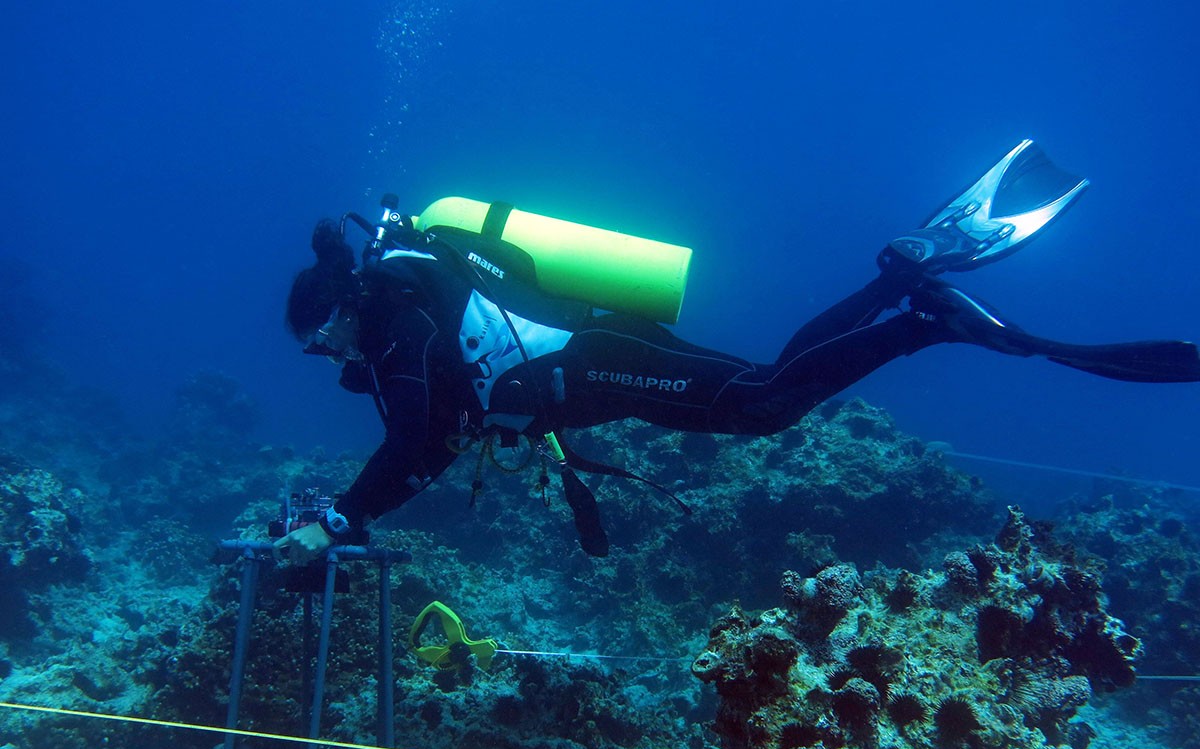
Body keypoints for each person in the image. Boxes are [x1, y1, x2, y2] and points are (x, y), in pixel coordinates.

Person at [273, 141, 1200, 560]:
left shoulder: (394, 321)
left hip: (591, 359)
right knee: (762, 388)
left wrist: (343, 518)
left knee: (761, 404)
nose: (327, 356)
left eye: (321, 340)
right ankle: (902, 284)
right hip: (590, 357)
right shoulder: (404, 305)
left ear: (342, 307)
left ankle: (923, 317)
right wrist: (354, 508)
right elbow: (437, 431)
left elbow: (416, 439)